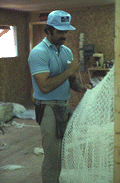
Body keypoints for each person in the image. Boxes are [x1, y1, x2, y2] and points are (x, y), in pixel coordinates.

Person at [28, 10, 91, 183]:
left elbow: (71, 81)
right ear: (48, 30)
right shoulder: (38, 53)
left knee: (63, 153)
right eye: (60, 32)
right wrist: (70, 70)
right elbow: (45, 86)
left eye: (66, 31)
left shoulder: (66, 52)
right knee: (52, 158)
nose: (64, 35)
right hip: (47, 107)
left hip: (64, 106)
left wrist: (81, 87)